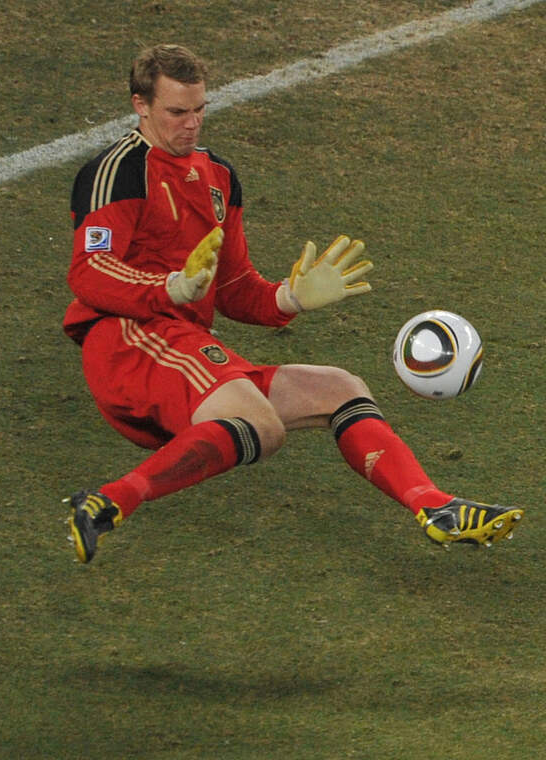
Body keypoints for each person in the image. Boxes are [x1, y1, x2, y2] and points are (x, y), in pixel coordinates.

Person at [62, 43, 522, 563]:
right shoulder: (120, 170)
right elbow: (89, 272)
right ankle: (109, 501)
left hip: (181, 342)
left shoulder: (218, 177)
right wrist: (170, 288)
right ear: (140, 106)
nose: (191, 124)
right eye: (176, 112)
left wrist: (290, 297)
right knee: (261, 426)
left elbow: (234, 287)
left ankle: (436, 507)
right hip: (128, 339)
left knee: (339, 389)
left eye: (199, 110)